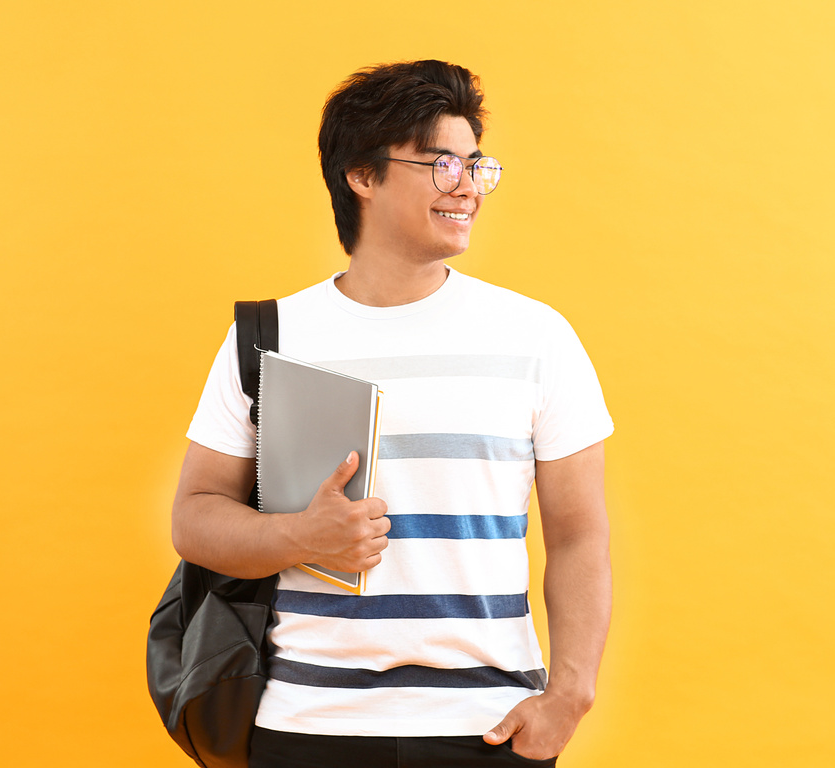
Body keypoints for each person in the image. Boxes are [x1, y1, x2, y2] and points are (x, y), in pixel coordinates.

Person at [171, 60, 613, 768]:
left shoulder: (536, 336)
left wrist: (570, 695)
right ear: (363, 176)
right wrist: (299, 534)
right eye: (440, 163)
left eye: (475, 164)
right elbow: (193, 518)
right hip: (306, 727)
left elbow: (581, 533)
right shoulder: (271, 335)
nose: (466, 186)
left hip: (491, 729)